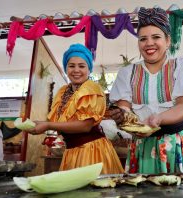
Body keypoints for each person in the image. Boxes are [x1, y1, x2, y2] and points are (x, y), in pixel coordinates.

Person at [109, 7, 183, 174]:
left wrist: (159, 118)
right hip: (143, 145)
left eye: (156, 37)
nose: (149, 43)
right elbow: (124, 108)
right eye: (143, 39)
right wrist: (123, 118)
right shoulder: (127, 73)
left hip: (177, 143)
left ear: (168, 40)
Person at [26, 43, 124, 174]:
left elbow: (85, 126)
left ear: (89, 70)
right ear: (66, 68)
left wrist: (47, 125)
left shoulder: (92, 89)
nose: (76, 70)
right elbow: (60, 123)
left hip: (92, 151)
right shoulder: (62, 92)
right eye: (71, 66)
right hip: (71, 152)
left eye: (82, 66)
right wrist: (42, 125)